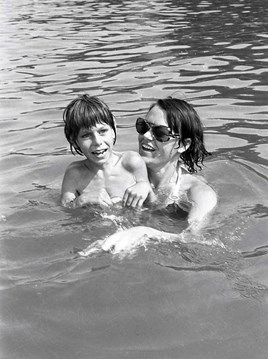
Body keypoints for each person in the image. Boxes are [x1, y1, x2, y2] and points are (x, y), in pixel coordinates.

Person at [79, 97, 218, 256]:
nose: (146, 135)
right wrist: (82, 201)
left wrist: (144, 233)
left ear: (183, 144)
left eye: (160, 133)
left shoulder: (199, 193)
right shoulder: (122, 171)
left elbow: (193, 238)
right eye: (143, 126)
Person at [61, 94, 153, 209]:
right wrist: (82, 200)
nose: (97, 141)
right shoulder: (75, 173)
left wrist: (145, 187)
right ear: (74, 141)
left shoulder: (131, 162)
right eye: (86, 135)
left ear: (113, 130)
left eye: (103, 131)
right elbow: (65, 209)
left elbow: (153, 205)